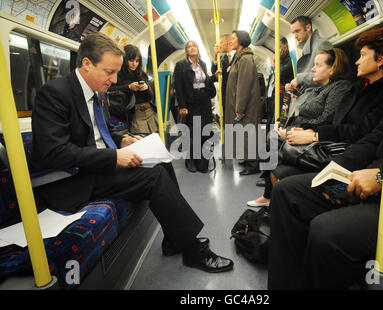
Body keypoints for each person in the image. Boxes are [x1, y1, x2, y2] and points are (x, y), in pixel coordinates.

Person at [268, 0, 383, 289]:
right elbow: (377, 137)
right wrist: (334, 171)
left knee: (326, 231)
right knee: (288, 192)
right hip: (379, 177)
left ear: (381, 60)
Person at [31, 32, 233, 273]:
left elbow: (96, 134)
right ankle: (191, 250)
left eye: (117, 72)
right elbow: (55, 152)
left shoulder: (95, 92)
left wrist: (122, 140)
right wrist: (115, 156)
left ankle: (174, 238)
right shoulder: (55, 93)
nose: (115, 80)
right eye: (109, 72)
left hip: (96, 166)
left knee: (162, 162)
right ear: (87, 64)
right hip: (73, 180)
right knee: (153, 176)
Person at [250, 27, 383, 207]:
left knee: (284, 179)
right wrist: (307, 131)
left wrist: (313, 135)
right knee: (279, 168)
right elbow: (333, 120)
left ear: (381, 59)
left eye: (363, 55)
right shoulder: (357, 88)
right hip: (332, 142)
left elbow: (360, 131)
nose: (357, 62)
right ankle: (271, 203)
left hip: (345, 152)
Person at [247, 48, 353, 207]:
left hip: (314, 137)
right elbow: (302, 113)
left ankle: (271, 196)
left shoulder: (340, 88)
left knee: (272, 141)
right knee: (271, 137)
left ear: (332, 68)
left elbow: (327, 118)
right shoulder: (321, 88)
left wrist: (291, 131)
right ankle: (270, 195)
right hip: (301, 129)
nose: (312, 69)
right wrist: (282, 123)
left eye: (318, 65)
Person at [174, 40, 217, 173]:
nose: (192, 48)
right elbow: (178, 86)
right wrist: (182, 105)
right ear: (186, 50)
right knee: (193, 132)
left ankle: (202, 160)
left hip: (204, 101)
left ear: (198, 49)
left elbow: (206, 80)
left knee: (205, 130)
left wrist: (214, 76)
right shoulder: (181, 65)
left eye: (194, 46)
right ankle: (190, 159)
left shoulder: (202, 64)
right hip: (190, 103)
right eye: (189, 47)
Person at [225, 30, 262, 175]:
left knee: (248, 133)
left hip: (245, 106)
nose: (231, 41)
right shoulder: (239, 58)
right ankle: (247, 160)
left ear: (241, 40)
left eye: (233, 38)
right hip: (240, 105)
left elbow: (244, 85)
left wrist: (240, 108)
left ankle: (253, 165)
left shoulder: (245, 59)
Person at [108, 44, 158, 135]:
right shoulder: (118, 74)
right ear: (124, 59)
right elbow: (109, 91)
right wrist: (128, 88)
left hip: (149, 112)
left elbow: (151, 96)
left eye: (137, 61)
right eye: (131, 60)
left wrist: (146, 89)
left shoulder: (141, 74)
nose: (134, 64)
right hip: (134, 114)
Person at [285, 16, 332, 93]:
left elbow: (328, 73)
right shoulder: (304, 49)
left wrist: (299, 79)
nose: (295, 36)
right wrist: (293, 86)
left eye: (297, 31)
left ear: (308, 27)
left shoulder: (322, 44)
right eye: (293, 33)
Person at [211, 34, 232, 119]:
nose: (218, 45)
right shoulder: (222, 58)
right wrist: (216, 56)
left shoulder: (238, 56)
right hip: (225, 95)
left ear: (228, 43)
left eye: (221, 42)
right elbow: (214, 71)